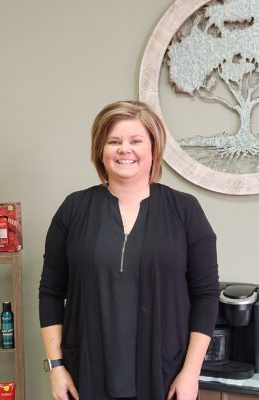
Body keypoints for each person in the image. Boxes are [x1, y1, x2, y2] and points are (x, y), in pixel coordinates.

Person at [39, 100, 219, 400]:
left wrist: (191, 373)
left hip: (165, 378)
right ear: (100, 149)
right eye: (114, 141)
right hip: (86, 376)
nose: (125, 149)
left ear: (153, 148)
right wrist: (56, 367)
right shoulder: (74, 209)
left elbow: (206, 295)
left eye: (136, 140)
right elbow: (51, 293)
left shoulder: (185, 211)